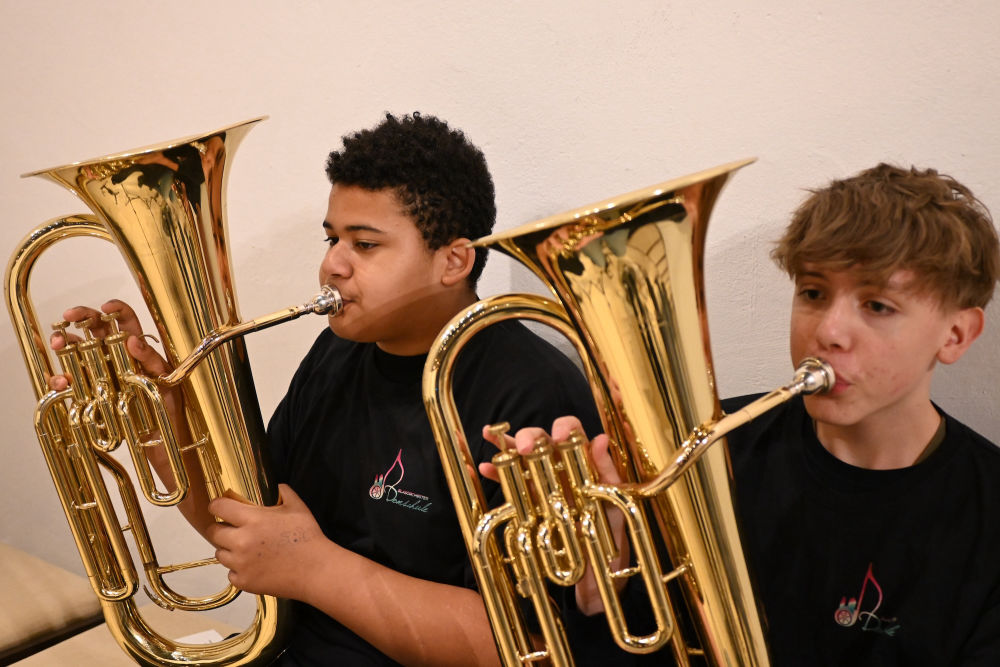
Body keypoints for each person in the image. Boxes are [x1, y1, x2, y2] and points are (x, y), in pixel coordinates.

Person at [48, 112, 602, 666]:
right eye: (332, 238)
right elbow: (255, 532)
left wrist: (315, 569)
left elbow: (536, 646)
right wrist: (165, 429)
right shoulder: (338, 353)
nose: (332, 264)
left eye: (365, 244)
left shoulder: (531, 394)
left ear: (453, 261)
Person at [497, 163, 1000, 665]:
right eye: (813, 293)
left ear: (956, 335)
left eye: (877, 305)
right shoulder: (704, 452)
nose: (828, 332)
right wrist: (606, 592)